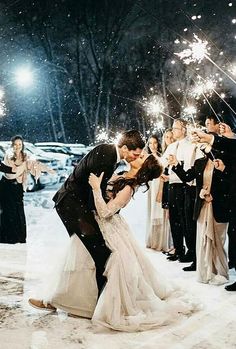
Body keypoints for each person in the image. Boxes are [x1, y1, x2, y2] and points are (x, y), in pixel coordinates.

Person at [29, 153, 198, 332]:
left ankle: (75, 303)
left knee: (95, 262)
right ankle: (58, 299)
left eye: (142, 157)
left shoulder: (128, 188)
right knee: (77, 258)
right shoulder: (123, 174)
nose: (138, 155)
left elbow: (106, 212)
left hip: (108, 227)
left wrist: (95, 188)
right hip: (94, 222)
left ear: (143, 167)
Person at [51, 130, 145, 294]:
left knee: (84, 252)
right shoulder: (106, 155)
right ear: (124, 148)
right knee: (99, 252)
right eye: (135, 154)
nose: (136, 158)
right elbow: (93, 189)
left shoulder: (111, 156)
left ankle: (78, 297)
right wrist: (99, 217)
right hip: (71, 205)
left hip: (75, 205)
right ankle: (102, 299)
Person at [168, 154, 230, 285]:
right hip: (202, 206)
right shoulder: (199, 162)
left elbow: (228, 183)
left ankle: (221, 273)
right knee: (202, 240)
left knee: (218, 241)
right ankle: (206, 272)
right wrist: (176, 164)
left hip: (219, 205)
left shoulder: (225, 159)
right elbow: (187, 177)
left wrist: (213, 195)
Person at [0, 135, 55, 244]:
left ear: (22, 145)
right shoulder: (8, 155)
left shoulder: (25, 156)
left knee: (19, 211)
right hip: (6, 186)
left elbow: (33, 166)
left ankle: (19, 237)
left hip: (18, 187)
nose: (17, 146)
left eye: (19, 144)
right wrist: (23, 167)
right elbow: (11, 173)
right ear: (12, 145)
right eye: (15, 144)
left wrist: (46, 169)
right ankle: (7, 238)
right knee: (8, 212)